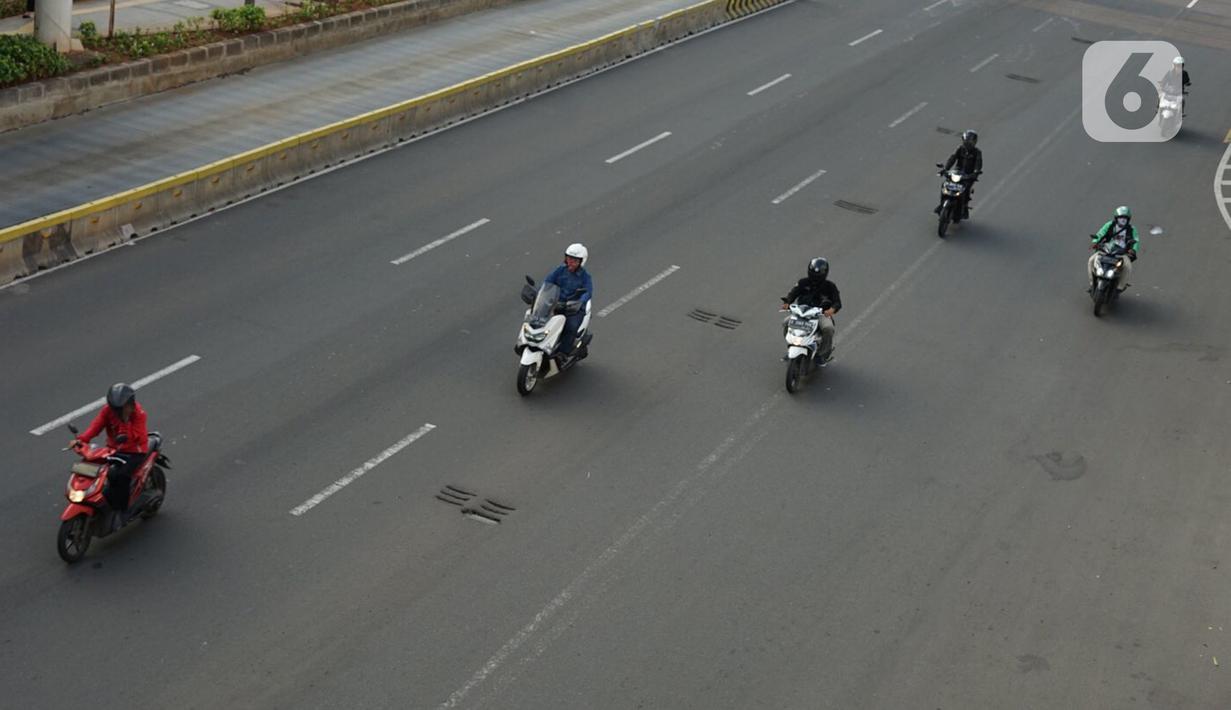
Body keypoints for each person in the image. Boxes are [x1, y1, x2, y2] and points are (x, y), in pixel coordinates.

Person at [73, 383, 148, 526]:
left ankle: (123, 509)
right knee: (96, 470)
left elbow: (137, 437)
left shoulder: (139, 415)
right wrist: (81, 440)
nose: (116, 412)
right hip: (114, 449)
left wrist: (125, 422)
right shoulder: (108, 411)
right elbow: (96, 426)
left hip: (134, 451)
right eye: (115, 409)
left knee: (120, 475)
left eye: (119, 409)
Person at [783, 257, 842, 365]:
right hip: (801, 312)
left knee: (828, 328)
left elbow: (837, 302)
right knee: (786, 322)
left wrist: (831, 309)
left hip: (820, 314)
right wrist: (787, 302)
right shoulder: (803, 282)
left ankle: (821, 354)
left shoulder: (830, 287)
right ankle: (791, 346)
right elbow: (793, 293)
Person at [543, 243, 592, 358]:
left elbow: (588, 292)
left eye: (574, 260)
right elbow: (548, 282)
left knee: (570, 327)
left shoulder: (585, 277)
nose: (570, 262)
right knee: (539, 320)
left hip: (573, 309)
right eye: (569, 259)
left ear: (581, 262)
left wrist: (579, 302)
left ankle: (563, 353)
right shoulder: (560, 270)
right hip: (556, 304)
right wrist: (540, 293)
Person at [1088, 206, 1139, 293]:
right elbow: (1100, 233)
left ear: (1128, 219)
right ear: (1116, 218)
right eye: (1120, 218)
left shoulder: (1132, 229)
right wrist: (1095, 242)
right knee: (1091, 260)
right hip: (1105, 249)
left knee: (1127, 267)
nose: (1123, 220)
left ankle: (1119, 287)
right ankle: (1092, 284)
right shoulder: (1109, 225)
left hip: (1122, 253)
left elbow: (1136, 241)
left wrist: (1133, 250)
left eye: (1125, 218)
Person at [937, 130, 983, 219]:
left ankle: (964, 208)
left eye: (970, 142)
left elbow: (978, 164)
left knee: (966, 190)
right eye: (966, 141)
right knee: (945, 185)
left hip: (968, 175)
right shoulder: (960, 149)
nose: (968, 143)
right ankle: (941, 205)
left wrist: (976, 172)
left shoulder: (977, 152)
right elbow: (952, 158)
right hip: (957, 173)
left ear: (974, 142)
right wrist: (946, 169)